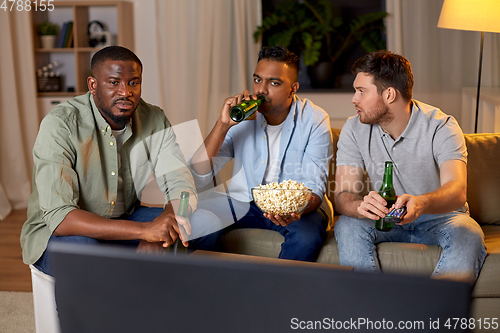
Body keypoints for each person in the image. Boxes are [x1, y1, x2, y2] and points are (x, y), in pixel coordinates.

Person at [21, 46, 221, 277]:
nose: (125, 92)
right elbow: (61, 217)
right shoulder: (61, 124)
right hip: (63, 234)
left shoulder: (154, 119)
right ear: (93, 85)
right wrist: (145, 231)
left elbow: (181, 185)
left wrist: (166, 222)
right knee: (84, 251)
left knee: (206, 223)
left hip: (125, 219)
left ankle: (175, 299)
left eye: (133, 83)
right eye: (114, 82)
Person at [333, 50, 486, 283]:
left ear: (389, 94)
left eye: (361, 91)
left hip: (440, 217)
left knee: (469, 234)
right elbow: (343, 194)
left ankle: (433, 316)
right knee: (347, 225)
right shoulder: (354, 129)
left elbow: (457, 190)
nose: (354, 99)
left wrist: (422, 203)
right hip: (384, 218)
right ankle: (371, 314)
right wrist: (360, 205)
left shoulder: (441, 126)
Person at [189, 46, 333, 262]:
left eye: (274, 83)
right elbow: (199, 172)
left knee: (305, 237)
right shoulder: (242, 116)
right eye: (257, 80)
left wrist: (293, 209)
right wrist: (223, 124)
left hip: (296, 207)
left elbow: (314, 186)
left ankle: (276, 295)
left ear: (293, 88)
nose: (261, 90)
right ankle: (211, 289)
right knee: (198, 219)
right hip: (247, 202)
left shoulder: (315, 119)